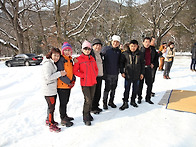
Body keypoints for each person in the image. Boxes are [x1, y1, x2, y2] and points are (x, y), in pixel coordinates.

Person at [73, 40, 98, 126]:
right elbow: (75, 71)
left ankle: (88, 113)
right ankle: (85, 115)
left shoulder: (92, 58)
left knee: (91, 98)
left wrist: (95, 74)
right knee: (87, 100)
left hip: (93, 82)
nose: (87, 50)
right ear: (82, 49)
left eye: (89, 49)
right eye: (85, 49)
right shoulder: (79, 59)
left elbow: (96, 68)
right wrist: (83, 75)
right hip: (85, 83)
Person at [42, 48, 66, 132]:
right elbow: (48, 77)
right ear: (51, 55)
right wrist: (59, 73)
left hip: (52, 89)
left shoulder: (52, 63)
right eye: (55, 55)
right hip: (49, 90)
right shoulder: (47, 64)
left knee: (51, 107)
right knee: (51, 107)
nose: (56, 57)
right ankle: (51, 125)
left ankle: (49, 120)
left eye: (58, 56)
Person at [119, 40, 145, 110]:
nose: (133, 48)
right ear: (129, 46)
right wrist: (122, 72)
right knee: (127, 89)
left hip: (137, 74)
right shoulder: (125, 53)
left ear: (137, 46)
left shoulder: (140, 54)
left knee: (135, 89)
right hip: (128, 74)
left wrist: (142, 73)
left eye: (135, 46)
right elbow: (121, 64)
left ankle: (133, 101)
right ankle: (125, 102)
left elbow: (143, 64)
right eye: (132, 46)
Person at [56, 42, 75, 127]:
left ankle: (65, 115)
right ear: (62, 51)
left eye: (69, 50)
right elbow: (61, 74)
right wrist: (69, 82)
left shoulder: (70, 59)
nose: (67, 52)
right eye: (65, 50)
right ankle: (63, 118)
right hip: (62, 85)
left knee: (66, 101)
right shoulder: (61, 60)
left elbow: (71, 71)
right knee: (63, 102)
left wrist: (73, 79)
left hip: (68, 85)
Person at [101, 35, 121, 110]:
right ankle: (104, 103)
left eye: (117, 42)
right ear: (111, 41)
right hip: (107, 72)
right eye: (114, 41)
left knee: (114, 88)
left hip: (115, 72)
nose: (115, 43)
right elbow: (100, 57)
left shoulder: (119, 51)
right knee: (107, 88)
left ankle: (111, 101)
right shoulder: (106, 49)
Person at [138, 37, 156, 104]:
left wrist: (153, 63)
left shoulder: (152, 50)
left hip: (148, 68)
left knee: (150, 84)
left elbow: (155, 58)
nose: (147, 43)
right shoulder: (140, 50)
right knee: (140, 84)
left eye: (148, 42)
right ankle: (139, 97)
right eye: (146, 42)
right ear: (143, 42)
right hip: (141, 69)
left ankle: (148, 98)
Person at [91, 39, 104, 114]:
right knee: (94, 92)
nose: (98, 47)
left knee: (98, 92)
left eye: (99, 45)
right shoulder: (91, 54)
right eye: (96, 45)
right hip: (93, 76)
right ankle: (92, 108)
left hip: (100, 76)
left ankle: (96, 106)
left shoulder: (100, 54)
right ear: (93, 46)